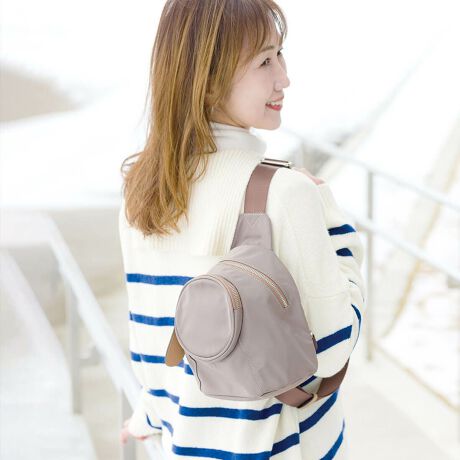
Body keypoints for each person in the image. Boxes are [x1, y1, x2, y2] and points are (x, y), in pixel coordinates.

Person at [118, 0, 366, 458]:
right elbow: (334, 347)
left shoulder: (144, 189)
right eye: (264, 61)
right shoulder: (285, 193)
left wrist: (146, 417)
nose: (284, 77)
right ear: (209, 79)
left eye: (280, 54)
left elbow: (151, 344)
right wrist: (333, 224)